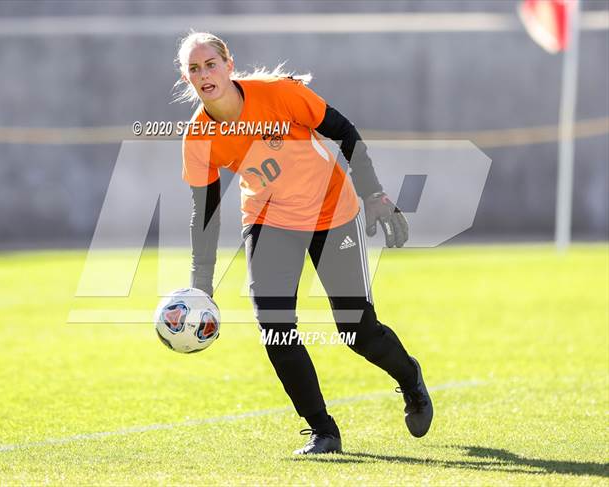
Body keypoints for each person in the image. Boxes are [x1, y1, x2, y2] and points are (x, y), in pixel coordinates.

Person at [176, 31, 433, 455]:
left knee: (357, 331)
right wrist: (201, 285)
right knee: (275, 329)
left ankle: (410, 379)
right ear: (186, 78)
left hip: (331, 213)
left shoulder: (279, 94)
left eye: (210, 64)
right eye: (194, 69)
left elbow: (344, 131)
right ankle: (323, 430)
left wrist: (373, 193)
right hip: (269, 220)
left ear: (228, 65)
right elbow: (204, 211)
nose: (204, 74)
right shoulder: (198, 136)